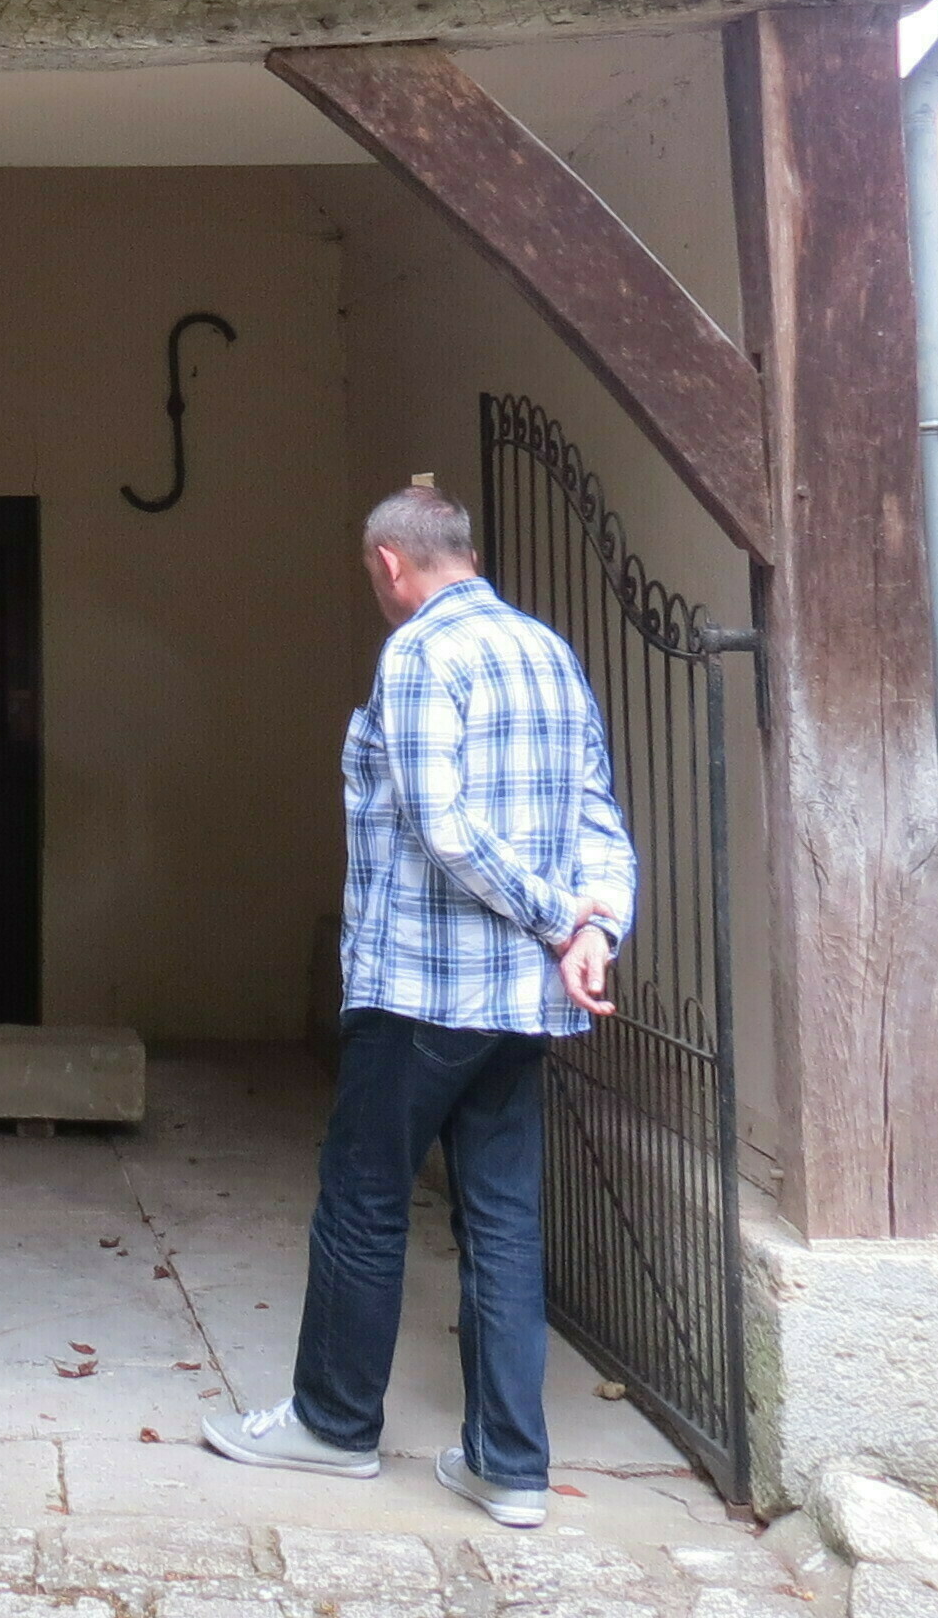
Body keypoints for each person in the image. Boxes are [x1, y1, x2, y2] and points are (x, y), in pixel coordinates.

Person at [201, 481, 635, 1530]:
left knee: (363, 1198)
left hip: (419, 991)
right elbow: (597, 819)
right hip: (522, 1005)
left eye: (371, 576)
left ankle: (334, 1425)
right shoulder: (547, 651)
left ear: (390, 566)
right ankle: (509, 1465)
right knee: (502, 1217)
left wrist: (549, 915)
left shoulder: (418, 654)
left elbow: (438, 824)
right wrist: (592, 930)